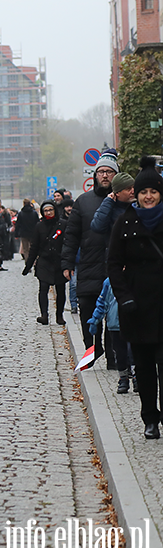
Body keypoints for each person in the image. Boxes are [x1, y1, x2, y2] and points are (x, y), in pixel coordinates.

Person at [106, 163, 163, 439]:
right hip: (137, 305)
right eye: (143, 192)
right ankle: (150, 419)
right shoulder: (124, 222)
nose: (148, 196)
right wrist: (124, 297)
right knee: (143, 367)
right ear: (136, 194)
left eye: (153, 191)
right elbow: (113, 264)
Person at [62, 150, 118, 361]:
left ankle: (114, 357)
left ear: (115, 175)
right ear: (95, 175)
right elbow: (71, 235)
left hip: (113, 265)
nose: (104, 175)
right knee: (87, 309)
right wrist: (67, 263)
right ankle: (91, 348)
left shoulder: (123, 201)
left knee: (113, 312)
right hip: (88, 264)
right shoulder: (83, 201)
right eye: (101, 171)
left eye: (109, 172)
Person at [23, 200, 67, 325]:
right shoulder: (39, 226)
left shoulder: (63, 224)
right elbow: (34, 247)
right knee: (43, 288)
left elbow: (68, 243)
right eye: (46, 211)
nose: (48, 213)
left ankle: (59, 315)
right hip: (44, 261)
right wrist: (28, 265)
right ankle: (44, 315)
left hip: (59, 261)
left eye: (50, 210)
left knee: (61, 289)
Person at [88, 278, 131, 394]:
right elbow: (102, 303)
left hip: (133, 323)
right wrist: (95, 319)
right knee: (120, 353)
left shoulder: (135, 277)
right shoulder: (109, 282)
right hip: (115, 324)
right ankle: (123, 378)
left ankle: (137, 377)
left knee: (133, 353)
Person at [91, 171, 135, 235]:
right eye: (128, 189)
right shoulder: (111, 210)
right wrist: (107, 202)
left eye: (134, 187)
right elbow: (97, 227)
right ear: (117, 193)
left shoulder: (138, 207)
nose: (133, 191)